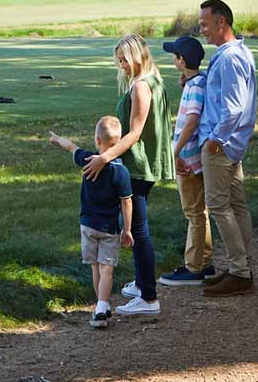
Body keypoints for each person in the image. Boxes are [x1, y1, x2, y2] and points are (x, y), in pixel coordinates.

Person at [83, 33, 174, 316]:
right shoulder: (153, 80)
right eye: (119, 60)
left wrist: (103, 158)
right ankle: (141, 282)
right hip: (142, 164)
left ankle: (148, 297)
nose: (122, 64)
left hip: (138, 165)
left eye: (125, 59)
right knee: (135, 226)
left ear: (137, 55)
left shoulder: (141, 87)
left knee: (138, 231)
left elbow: (134, 133)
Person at [49, 118, 134, 329]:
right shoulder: (121, 171)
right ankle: (101, 307)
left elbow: (71, 146)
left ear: (97, 140)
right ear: (120, 141)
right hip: (109, 228)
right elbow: (127, 202)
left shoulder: (87, 159)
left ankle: (100, 307)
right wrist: (128, 229)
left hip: (87, 225)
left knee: (96, 267)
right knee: (107, 269)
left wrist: (57, 139)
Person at [198, 0, 257, 297]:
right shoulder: (239, 53)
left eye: (205, 24)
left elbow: (233, 109)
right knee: (237, 205)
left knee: (219, 206)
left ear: (221, 22)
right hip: (234, 145)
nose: (202, 31)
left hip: (222, 146)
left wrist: (214, 141)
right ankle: (240, 265)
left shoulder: (231, 57)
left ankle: (239, 271)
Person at [158, 35, 216, 286]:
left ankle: (193, 268)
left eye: (174, 55)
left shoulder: (194, 87)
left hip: (188, 158)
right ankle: (205, 263)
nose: (173, 58)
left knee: (193, 212)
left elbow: (191, 121)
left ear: (181, 60)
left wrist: (175, 152)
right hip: (196, 158)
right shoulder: (198, 81)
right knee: (200, 211)